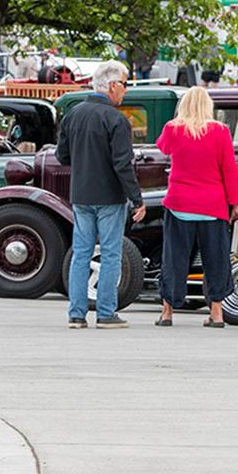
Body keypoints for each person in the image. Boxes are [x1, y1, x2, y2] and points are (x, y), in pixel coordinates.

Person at [56, 60, 144, 328]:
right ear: (113, 86)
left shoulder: (73, 114)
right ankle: (106, 313)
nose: (126, 91)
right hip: (109, 197)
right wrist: (137, 199)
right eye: (125, 85)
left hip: (81, 194)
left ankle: (76, 314)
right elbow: (122, 165)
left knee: (81, 253)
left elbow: (62, 156)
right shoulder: (116, 119)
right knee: (110, 253)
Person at [153, 87, 238, 326]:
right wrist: (236, 205)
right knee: (215, 260)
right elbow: (230, 170)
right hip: (212, 206)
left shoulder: (173, 129)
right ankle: (216, 313)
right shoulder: (221, 131)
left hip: (179, 204)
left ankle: (167, 312)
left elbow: (162, 147)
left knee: (174, 259)